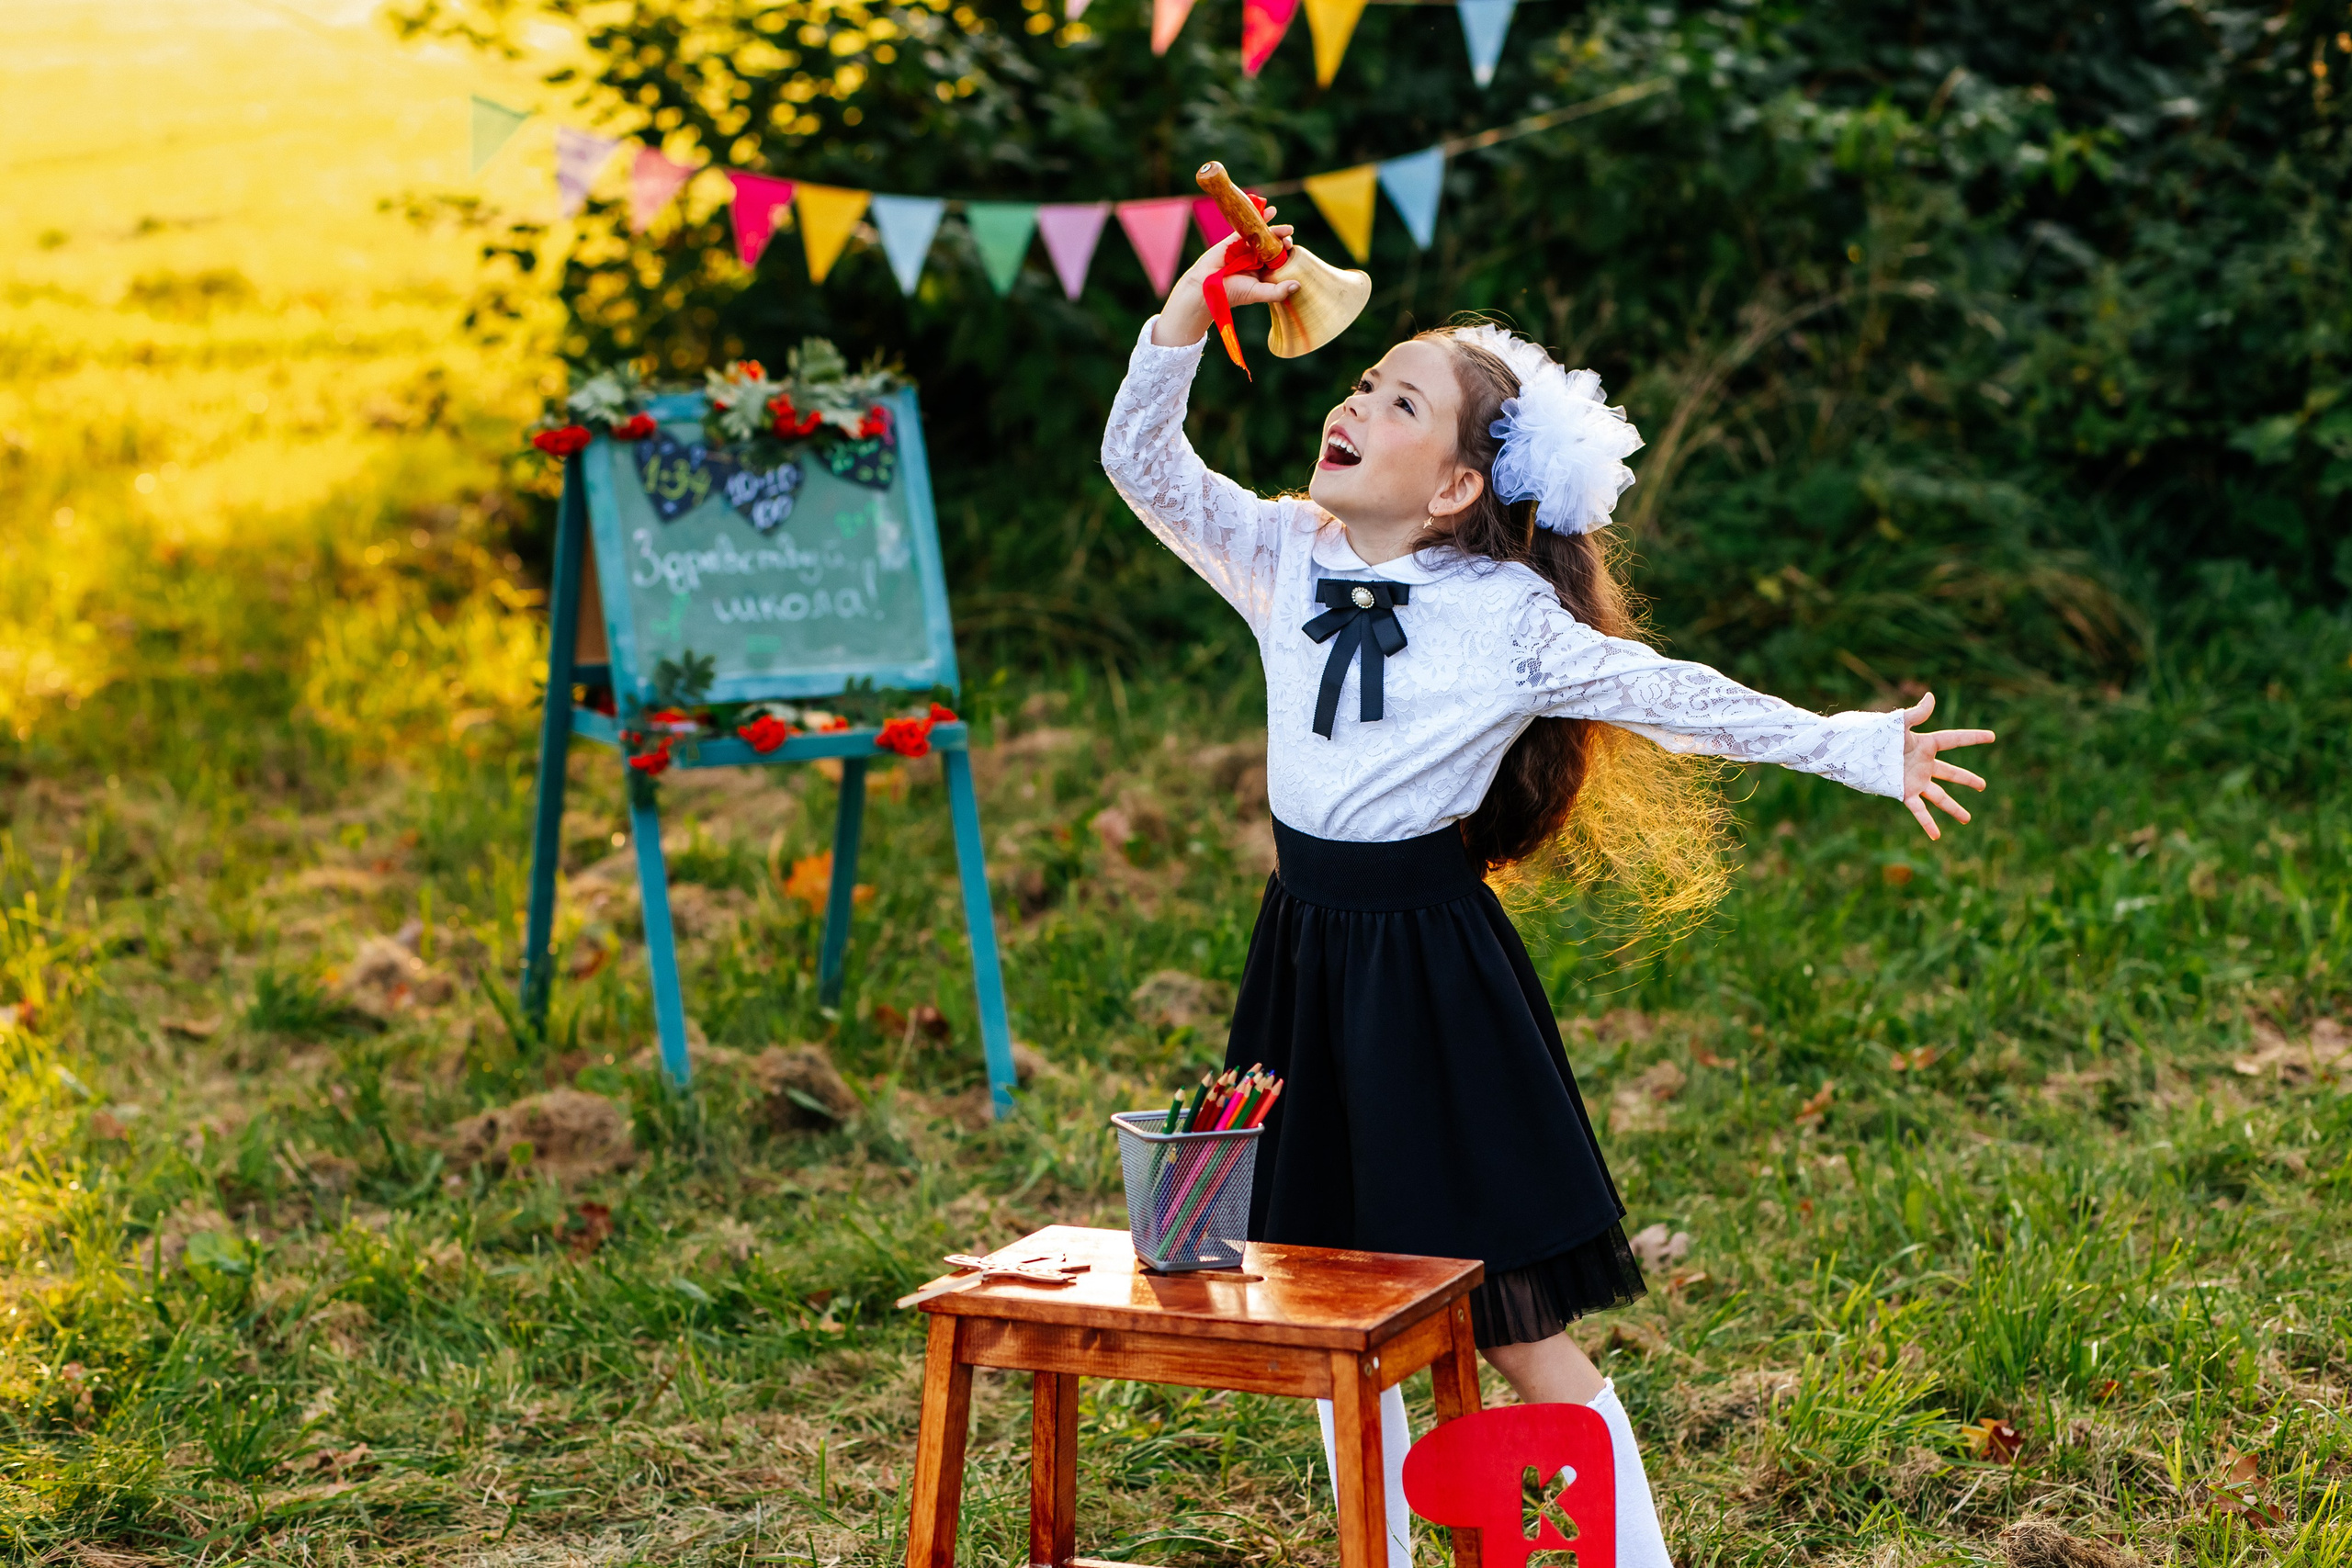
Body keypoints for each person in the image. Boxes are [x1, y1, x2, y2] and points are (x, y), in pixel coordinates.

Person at [1101, 212, 1996, 1568]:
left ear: (1457, 487)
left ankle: (1625, 1556)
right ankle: (1378, 1553)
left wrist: (1857, 745)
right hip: (1305, 961)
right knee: (1325, 1287)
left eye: (1398, 399)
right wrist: (1184, 317)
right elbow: (1142, 463)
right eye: (1361, 382)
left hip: (1429, 981)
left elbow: (1677, 700)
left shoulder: (1508, 620)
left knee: (1509, 1316)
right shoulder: (1282, 551)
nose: (1352, 400)